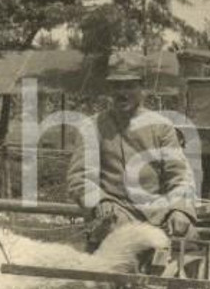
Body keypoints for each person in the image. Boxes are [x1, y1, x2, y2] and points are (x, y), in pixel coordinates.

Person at [67, 55, 197, 250]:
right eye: (116, 86)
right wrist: (100, 200)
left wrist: (179, 209)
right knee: (114, 240)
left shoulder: (161, 127)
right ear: (109, 90)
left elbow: (180, 176)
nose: (122, 93)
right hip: (113, 215)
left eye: (129, 86)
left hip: (158, 214)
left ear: (142, 87)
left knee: (188, 238)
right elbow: (79, 178)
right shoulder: (92, 127)